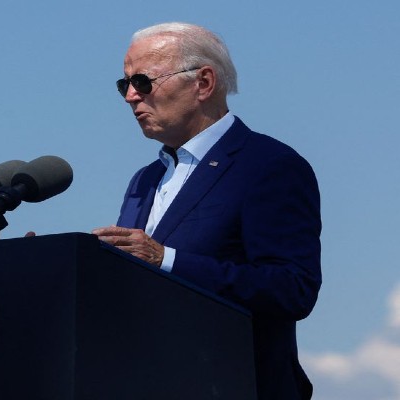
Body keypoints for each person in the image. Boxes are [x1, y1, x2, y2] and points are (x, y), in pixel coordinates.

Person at [92, 22, 321, 400]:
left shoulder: (267, 165)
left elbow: (292, 289)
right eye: (125, 84)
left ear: (203, 83)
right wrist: (68, 268)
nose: (131, 96)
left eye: (144, 82)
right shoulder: (144, 180)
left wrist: (166, 259)